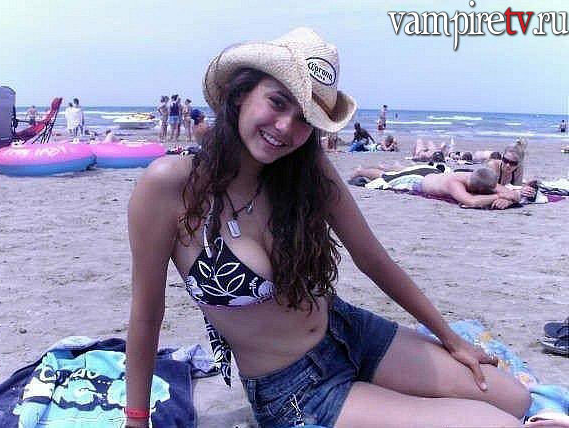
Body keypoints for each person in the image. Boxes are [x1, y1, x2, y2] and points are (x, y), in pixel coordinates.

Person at [125, 28, 530, 428]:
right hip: (296, 390)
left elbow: (372, 258)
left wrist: (451, 339)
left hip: (349, 331)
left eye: (305, 119)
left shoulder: (304, 169)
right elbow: (147, 314)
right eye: (277, 102)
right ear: (241, 93)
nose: (285, 127)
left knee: (515, 398)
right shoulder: (172, 187)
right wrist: (137, 420)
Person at [352, 165, 522, 209]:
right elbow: (471, 201)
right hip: (417, 180)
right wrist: (498, 197)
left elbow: (513, 194)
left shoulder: (481, 178)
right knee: (386, 177)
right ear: (479, 189)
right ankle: (361, 171)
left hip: (432, 173)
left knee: (397, 171)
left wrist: (508, 198)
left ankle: (390, 166)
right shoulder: (455, 184)